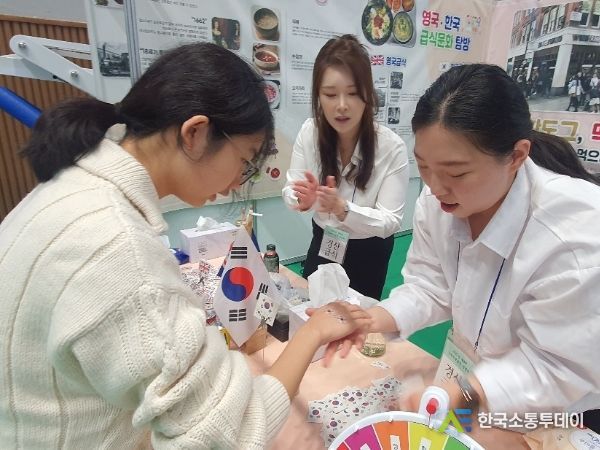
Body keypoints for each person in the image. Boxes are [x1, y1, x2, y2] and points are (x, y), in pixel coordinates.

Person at [0, 43, 371, 449]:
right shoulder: (117, 246)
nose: (239, 181)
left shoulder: (77, 188)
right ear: (195, 133)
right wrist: (313, 332)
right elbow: (228, 432)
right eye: (246, 161)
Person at [364, 64, 600, 431]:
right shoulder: (438, 201)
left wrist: (469, 392)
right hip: (476, 384)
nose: (436, 187)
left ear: (517, 156)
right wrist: (375, 318)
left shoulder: (573, 235)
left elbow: (556, 365)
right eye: (424, 166)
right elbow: (430, 285)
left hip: (558, 411)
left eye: (456, 173)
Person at [282, 34, 409, 300]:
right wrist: (301, 199)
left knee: (357, 317)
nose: (341, 105)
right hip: (324, 239)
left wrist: (343, 209)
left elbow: (390, 221)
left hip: (368, 251)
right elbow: (292, 187)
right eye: (330, 94)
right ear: (318, 96)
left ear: (368, 95)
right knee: (313, 307)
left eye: (352, 93)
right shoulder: (310, 132)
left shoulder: (391, 147)